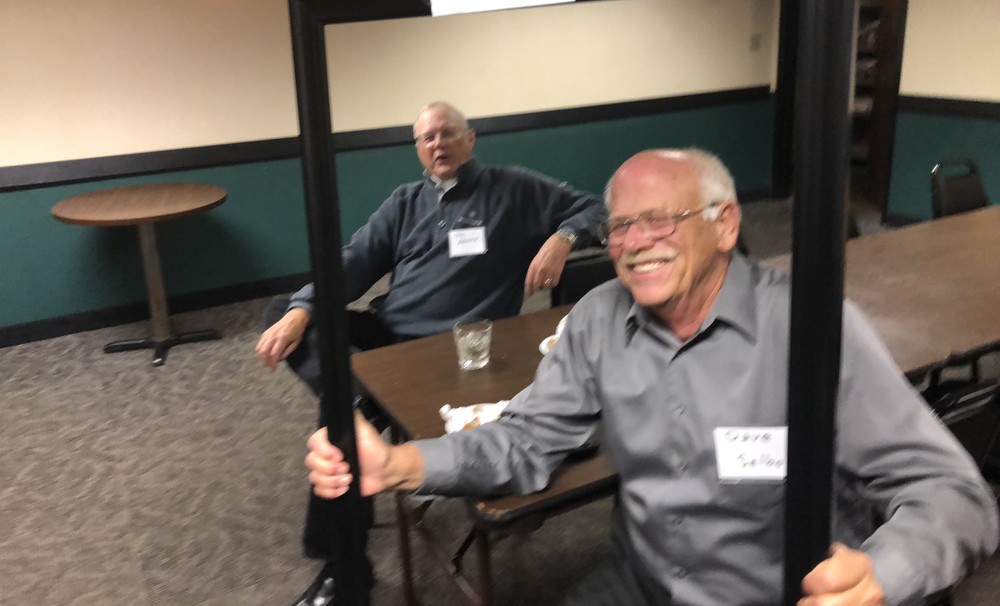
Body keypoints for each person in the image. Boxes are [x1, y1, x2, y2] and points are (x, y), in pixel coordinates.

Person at [306, 148, 1000, 605]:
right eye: (620, 226)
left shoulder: (814, 328)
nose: (635, 242)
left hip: (777, 592)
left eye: (660, 219)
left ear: (725, 225)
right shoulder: (596, 320)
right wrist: (399, 464)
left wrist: (880, 574)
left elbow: (956, 494)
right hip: (644, 582)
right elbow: (525, 440)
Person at [260, 101, 607, 606]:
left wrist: (562, 238)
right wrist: (303, 309)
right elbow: (355, 262)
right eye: (427, 138)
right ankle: (357, 397)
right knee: (286, 311)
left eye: (447, 133)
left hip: (451, 349)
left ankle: (345, 568)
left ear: (470, 139)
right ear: (419, 149)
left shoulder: (513, 189)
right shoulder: (406, 201)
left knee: (339, 424)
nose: (438, 144)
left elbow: (597, 207)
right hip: (387, 331)